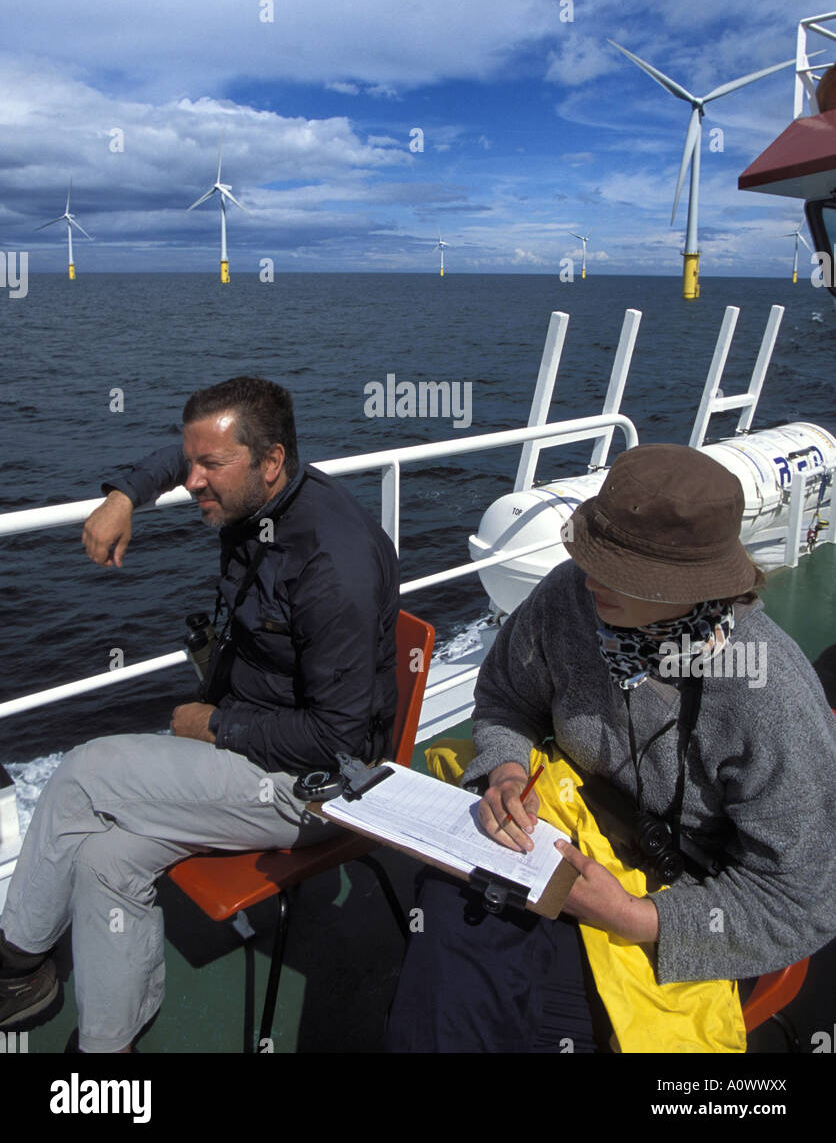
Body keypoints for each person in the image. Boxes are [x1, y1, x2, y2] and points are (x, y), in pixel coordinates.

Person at [386, 443, 836, 1053]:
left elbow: (798, 899)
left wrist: (629, 916)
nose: (589, 576)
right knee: (455, 909)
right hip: (574, 840)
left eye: (620, 569)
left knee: (520, 1005)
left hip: (686, 910)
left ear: (697, 584)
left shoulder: (769, 695)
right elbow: (505, 698)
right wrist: (505, 771)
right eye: (589, 554)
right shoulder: (570, 598)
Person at [0, 376, 399, 1052]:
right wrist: (125, 495)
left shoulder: (333, 566)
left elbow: (338, 739)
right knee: (105, 858)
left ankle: (13, 968)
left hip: (313, 788)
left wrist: (215, 726)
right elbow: (181, 454)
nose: (192, 481)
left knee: (84, 774)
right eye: (195, 463)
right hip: (255, 745)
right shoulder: (270, 482)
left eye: (211, 467)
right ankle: (108, 1045)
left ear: (270, 461)